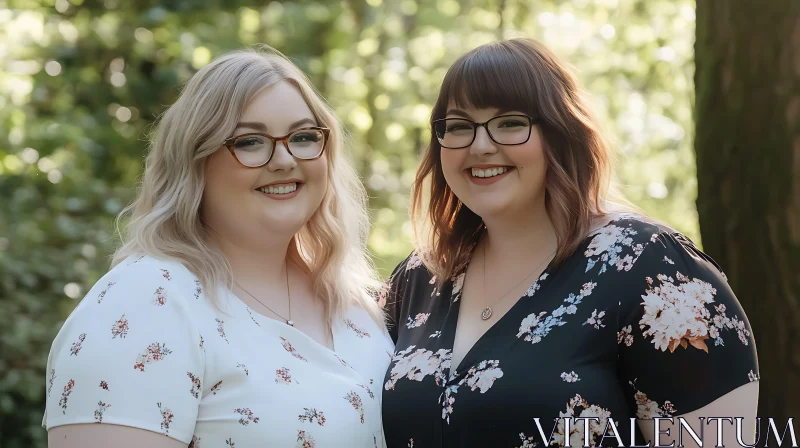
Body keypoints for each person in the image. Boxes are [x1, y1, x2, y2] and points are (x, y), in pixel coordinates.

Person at [380, 38, 759, 448]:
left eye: (509, 122)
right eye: (459, 126)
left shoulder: (653, 270)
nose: (481, 145)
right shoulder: (420, 278)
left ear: (561, 132)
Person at [43, 46, 392, 448]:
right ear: (194, 160)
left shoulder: (353, 304)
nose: (283, 159)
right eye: (249, 142)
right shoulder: (145, 304)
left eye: (303, 137)